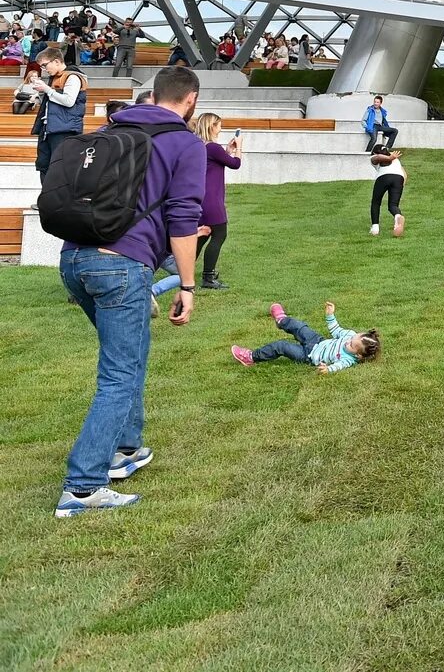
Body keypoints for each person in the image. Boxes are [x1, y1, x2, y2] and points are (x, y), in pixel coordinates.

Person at [54, 66, 206, 518]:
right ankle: (82, 487)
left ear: (153, 94)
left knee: (129, 354)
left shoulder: (109, 130)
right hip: (122, 263)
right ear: (191, 99)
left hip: (74, 258)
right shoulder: (185, 144)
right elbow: (182, 219)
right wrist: (188, 284)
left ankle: (125, 448)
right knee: (119, 373)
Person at [231, 301, 379, 373]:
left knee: (281, 346)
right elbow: (336, 330)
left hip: (308, 355)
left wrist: (328, 369)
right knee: (299, 326)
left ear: (358, 355)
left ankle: (250, 357)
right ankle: (282, 320)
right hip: (317, 341)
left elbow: (339, 366)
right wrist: (330, 315)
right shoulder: (350, 335)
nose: (348, 342)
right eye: (352, 339)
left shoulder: (349, 359)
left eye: (352, 346)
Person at [191, 113, 242, 291]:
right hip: (212, 200)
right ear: (212, 126)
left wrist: (227, 151)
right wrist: (239, 148)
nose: (221, 127)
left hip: (201, 198)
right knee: (219, 235)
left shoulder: (200, 146)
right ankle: (208, 277)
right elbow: (235, 164)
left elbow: (218, 162)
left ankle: (184, 271)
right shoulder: (213, 147)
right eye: (219, 124)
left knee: (201, 236)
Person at [29, 46, 86, 182]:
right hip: (48, 128)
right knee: (44, 165)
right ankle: (47, 200)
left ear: (56, 61)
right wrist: (41, 93)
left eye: (44, 65)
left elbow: (68, 101)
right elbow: (53, 102)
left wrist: (47, 89)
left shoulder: (72, 76)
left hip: (64, 129)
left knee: (61, 168)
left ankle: (59, 202)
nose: (44, 69)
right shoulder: (54, 78)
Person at [369, 144, 406, 237]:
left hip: (383, 177)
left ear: (374, 152)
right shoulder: (396, 159)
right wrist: (401, 184)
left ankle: (375, 228)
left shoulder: (374, 157)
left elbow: (377, 157)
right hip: (399, 178)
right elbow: (404, 173)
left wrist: (390, 158)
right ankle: (397, 216)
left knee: (376, 202)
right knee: (393, 205)